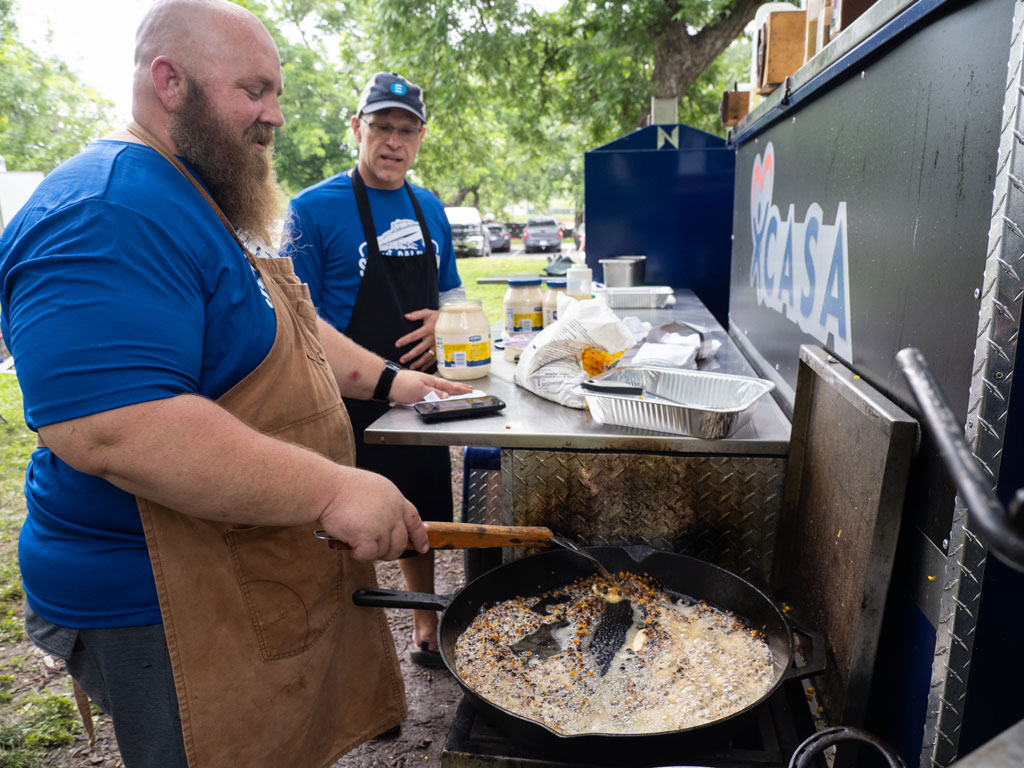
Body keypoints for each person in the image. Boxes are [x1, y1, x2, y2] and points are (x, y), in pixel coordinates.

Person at [0, 2, 471, 767]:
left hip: (231, 561)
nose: (275, 116)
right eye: (253, 91)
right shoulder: (106, 210)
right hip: (155, 595)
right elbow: (119, 429)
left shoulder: (195, 196)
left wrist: (395, 384)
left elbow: (286, 324)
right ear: (169, 81)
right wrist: (332, 489)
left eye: (276, 93)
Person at [281, 72, 464, 668]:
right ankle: (342, 647)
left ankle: (425, 623)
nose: (394, 141)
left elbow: (455, 296)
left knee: (421, 513)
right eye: (382, 127)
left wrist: (446, 321)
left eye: (407, 131)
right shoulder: (311, 210)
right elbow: (294, 317)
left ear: (421, 137)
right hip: (338, 398)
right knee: (335, 524)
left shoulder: (429, 207)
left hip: (416, 399)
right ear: (357, 128)